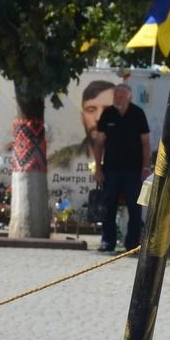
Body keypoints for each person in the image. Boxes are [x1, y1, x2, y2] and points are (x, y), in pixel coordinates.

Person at [93, 80, 151, 253]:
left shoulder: (138, 113)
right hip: (111, 169)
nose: (117, 98)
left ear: (129, 97)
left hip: (134, 170)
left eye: (121, 95)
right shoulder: (108, 114)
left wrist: (145, 167)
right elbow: (99, 143)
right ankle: (107, 241)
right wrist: (97, 168)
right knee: (109, 206)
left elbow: (146, 143)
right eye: (115, 95)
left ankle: (132, 243)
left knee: (135, 207)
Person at [47, 78, 115, 172]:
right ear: (82, 118)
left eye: (107, 110)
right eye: (91, 110)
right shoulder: (62, 160)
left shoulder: (131, 158)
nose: (98, 118)